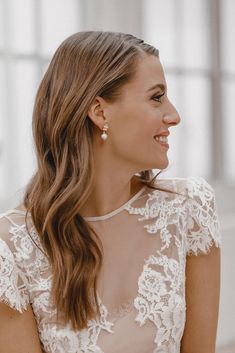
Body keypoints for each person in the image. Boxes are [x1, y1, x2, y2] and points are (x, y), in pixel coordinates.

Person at [0, 31, 221, 353]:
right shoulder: (12, 246)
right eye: (156, 97)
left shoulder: (187, 210)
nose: (174, 116)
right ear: (100, 112)